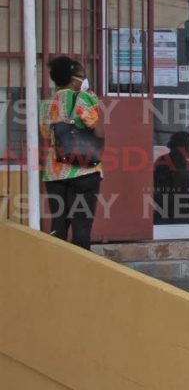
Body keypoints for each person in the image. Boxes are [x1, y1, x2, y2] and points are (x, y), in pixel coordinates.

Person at [40, 56, 104, 250]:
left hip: (54, 173)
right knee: (81, 226)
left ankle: (57, 270)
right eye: (82, 76)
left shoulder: (46, 104)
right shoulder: (83, 99)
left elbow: (45, 135)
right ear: (72, 78)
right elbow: (99, 131)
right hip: (83, 171)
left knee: (58, 225)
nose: (84, 80)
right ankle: (82, 274)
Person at [152, 131, 189, 224]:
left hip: (172, 201)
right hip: (169, 200)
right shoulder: (170, 159)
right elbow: (176, 180)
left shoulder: (183, 160)